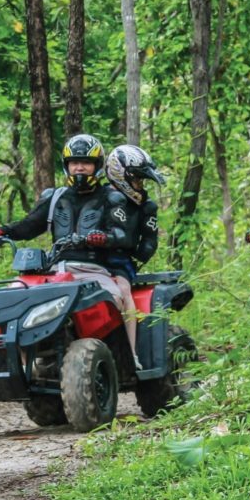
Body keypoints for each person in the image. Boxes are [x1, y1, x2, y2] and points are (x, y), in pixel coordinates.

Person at [0, 134, 140, 368]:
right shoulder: (55, 197)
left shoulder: (111, 197)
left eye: (86, 162)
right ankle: (23, 364)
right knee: (13, 294)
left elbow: (123, 235)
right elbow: (28, 226)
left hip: (94, 271)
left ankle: (131, 358)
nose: (80, 167)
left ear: (97, 165)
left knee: (116, 298)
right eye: (74, 162)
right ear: (67, 166)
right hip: (55, 271)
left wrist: (103, 238)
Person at [103, 144, 166, 363]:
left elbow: (149, 240)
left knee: (123, 290)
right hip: (85, 258)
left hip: (119, 260)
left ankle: (132, 353)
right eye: (137, 179)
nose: (139, 185)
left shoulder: (144, 206)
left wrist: (141, 250)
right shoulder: (99, 196)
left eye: (141, 180)